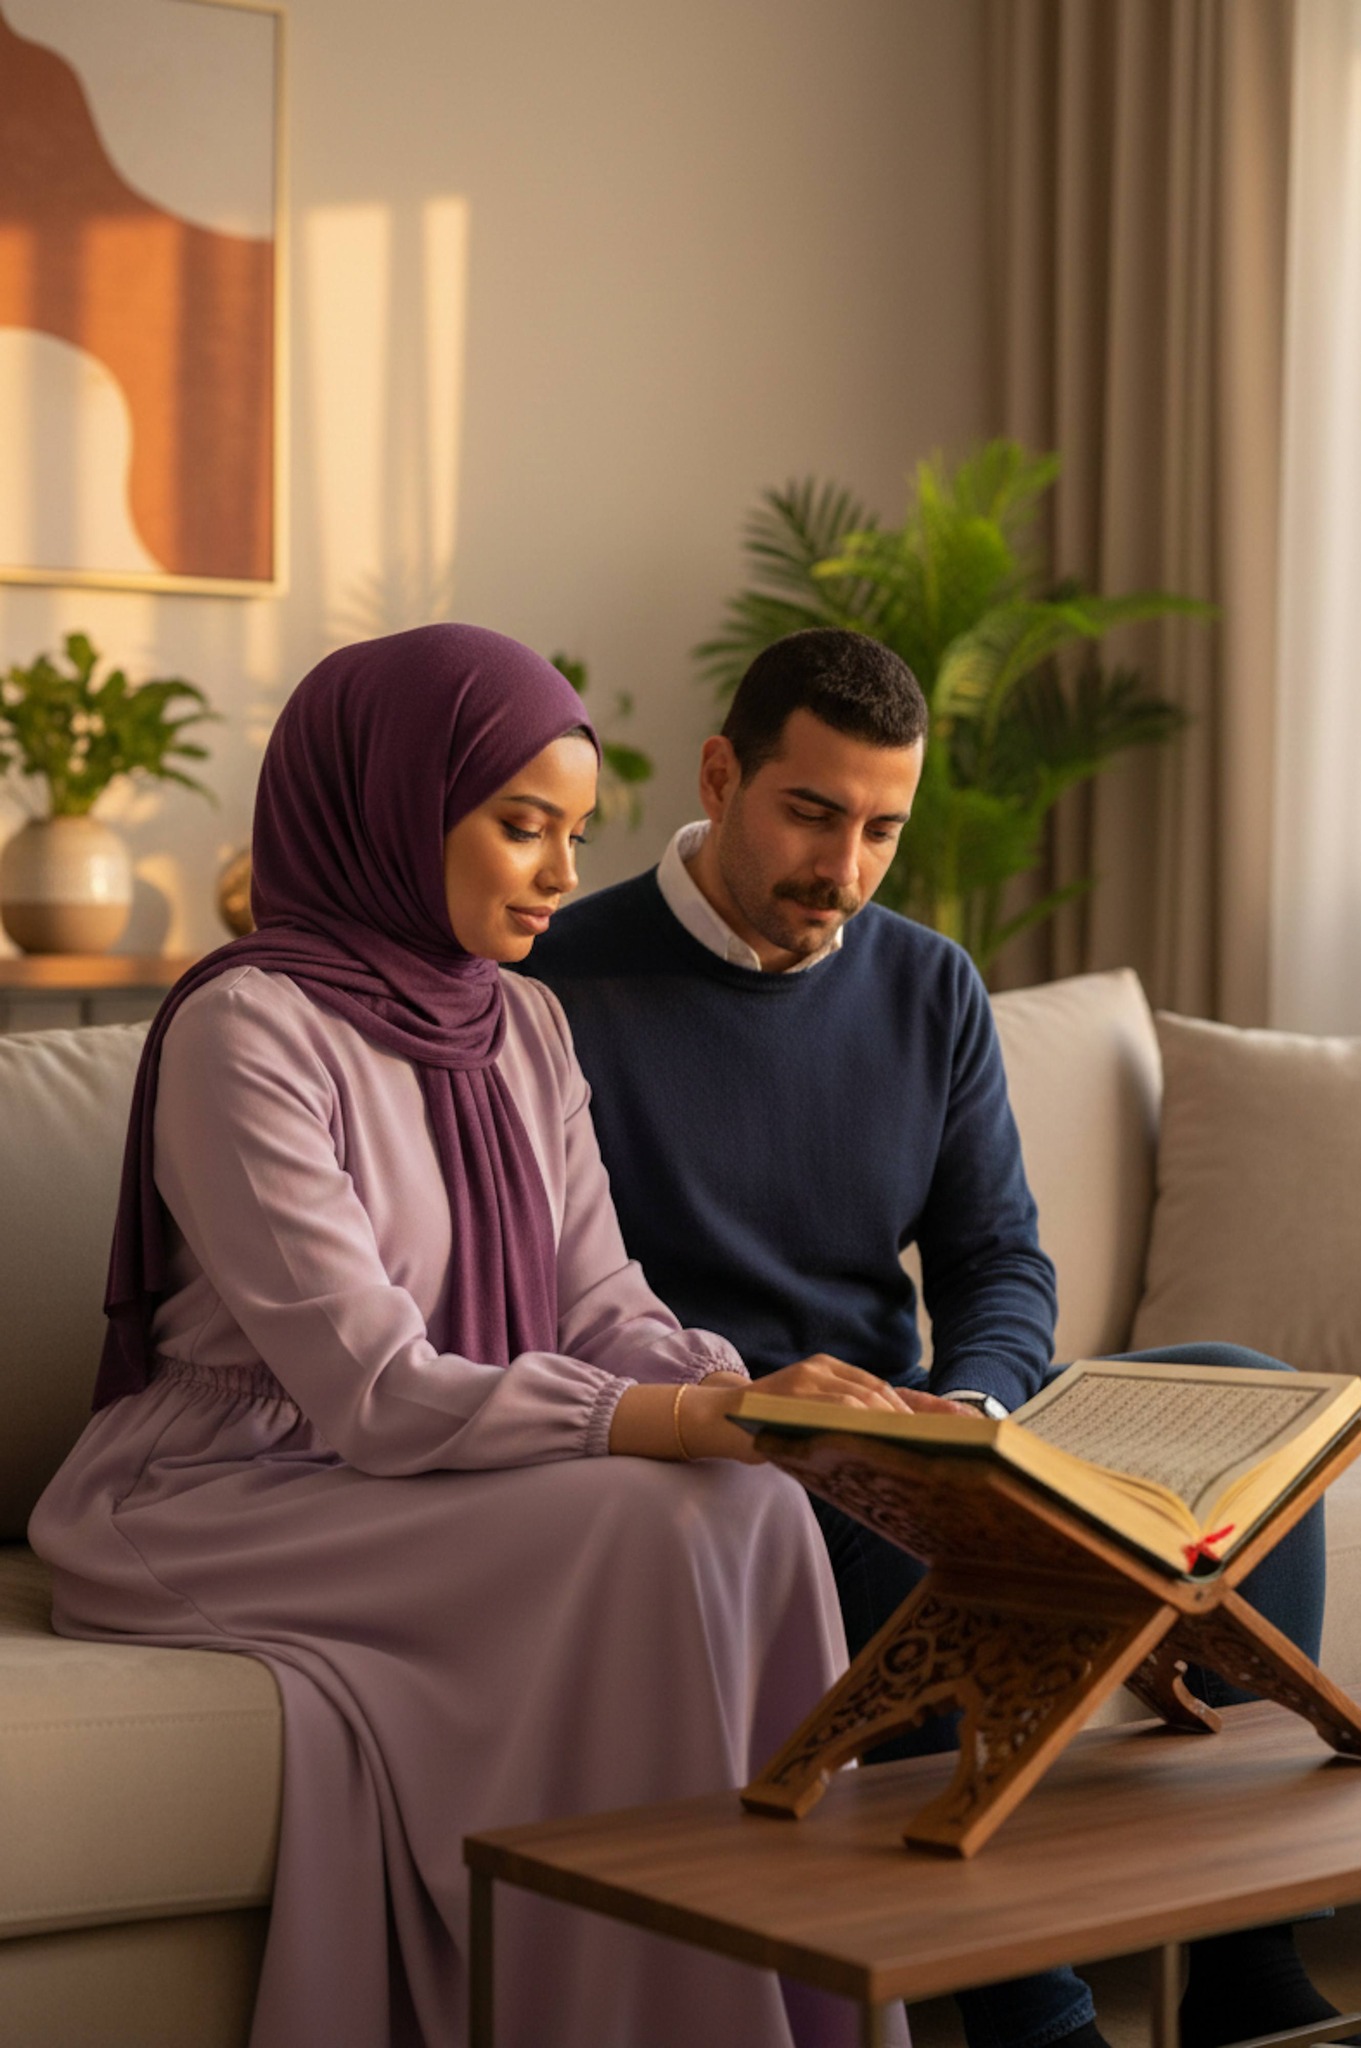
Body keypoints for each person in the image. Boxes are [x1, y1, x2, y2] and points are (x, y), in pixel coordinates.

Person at [28, 624, 936, 2048]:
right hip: (234, 1487)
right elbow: (372, 1388)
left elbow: (600, 1304)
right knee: (648, 1526)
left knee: (757, 1506)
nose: (564, 875)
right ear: (395, 805)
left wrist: (755, 1403)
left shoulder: (523, 1022)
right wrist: (677, 1424)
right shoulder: (245, 1031)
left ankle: (781, 2007)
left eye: (575, 833)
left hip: (420, 1464)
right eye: (523, 828)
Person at [521, 627, 1361, 2048]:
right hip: (736, 1442)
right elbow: (545, 1295)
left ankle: (1245, 1965)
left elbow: (1000, 1260)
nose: (844, 868)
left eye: (882, 830)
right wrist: (791, 1412)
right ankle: (1033, 2020)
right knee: (910, 1526)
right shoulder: (557, 986)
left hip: (932, 1419)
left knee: (1250, 1407)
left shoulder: (930, 984)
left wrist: (979, 1407)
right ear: (722, 776)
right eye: (812, 813)